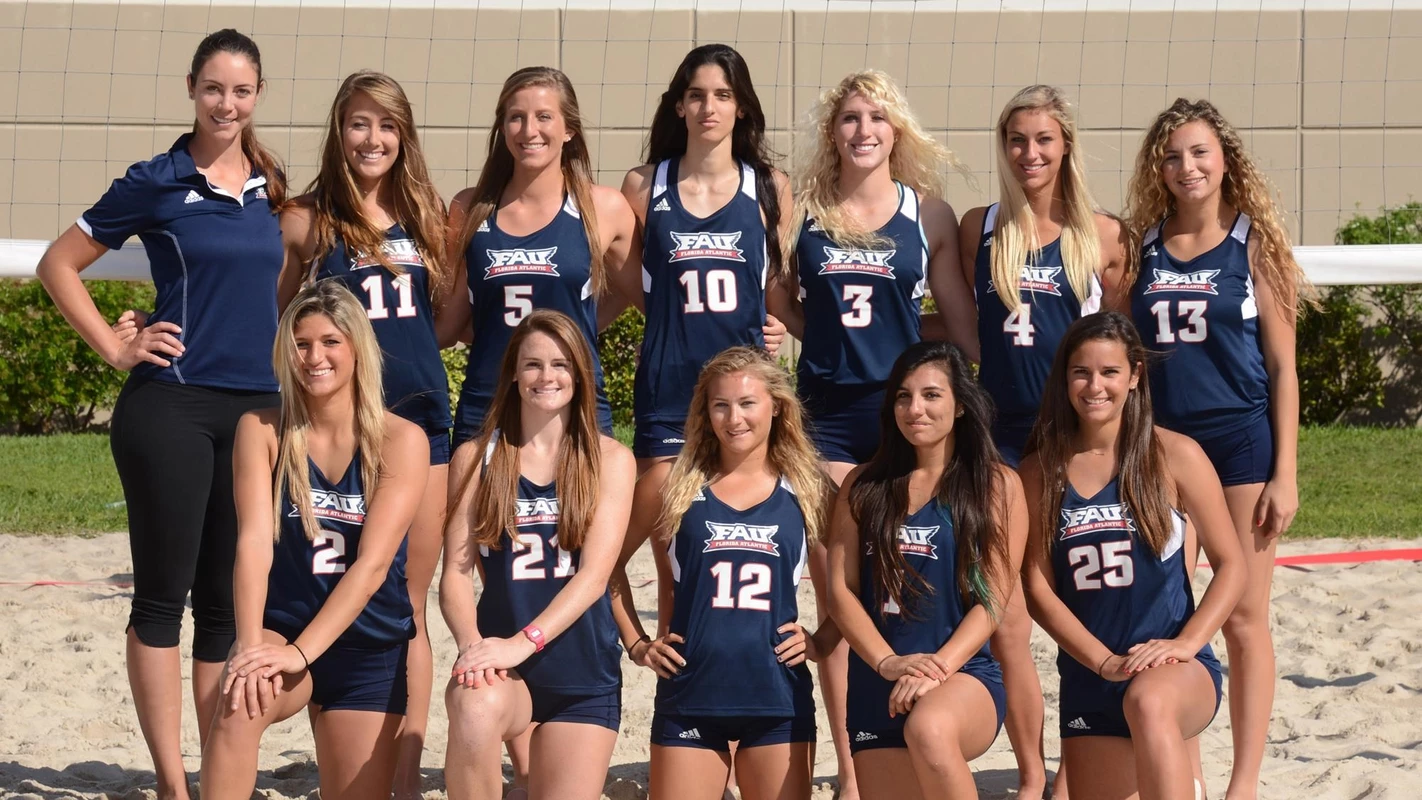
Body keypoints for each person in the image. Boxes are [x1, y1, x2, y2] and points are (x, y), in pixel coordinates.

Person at [34, 29, 286, 800]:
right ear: (191, 88)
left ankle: (217, 776)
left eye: (242, 91)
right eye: (215, 88)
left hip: (258, 411)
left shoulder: (273, 185)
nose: (227, 104)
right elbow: (57, 263)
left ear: (257, 97)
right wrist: (116, 349)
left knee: (224, 603)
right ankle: (174, 785)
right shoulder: (157, 179)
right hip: (171, 406)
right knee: (160, 598)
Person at [766, 69, 979, 797]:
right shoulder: (808, 211)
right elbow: (780, 296)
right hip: (826, 411)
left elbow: (954, 321)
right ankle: (852, 767)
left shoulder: (929, 214)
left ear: (897, 132)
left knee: (909, 574)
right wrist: (815, 332)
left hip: (904, 414)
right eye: (850, 119)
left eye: (876, 119)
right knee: (838, 589)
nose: (863, 131)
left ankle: (924, 695)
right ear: (835, 132)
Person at [1124, 98, 1310, 800]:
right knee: (1173, 616)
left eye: (1199, 152)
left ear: (1224, 158)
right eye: (1172, 156)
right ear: (1158, 169)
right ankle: (1188, 773)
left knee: (1240, 614)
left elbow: (1285, 366)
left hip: (1240, 443)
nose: (1186, 166)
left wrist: (1284, 473)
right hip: (1166, 450)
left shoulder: (1252, 244)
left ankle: (1245, 782)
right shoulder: (1142, 246)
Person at [276, 70, 452, 798]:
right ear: (338, 131)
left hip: (416, 418)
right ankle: (342, 745)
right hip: (336, 425)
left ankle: (402, 771)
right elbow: (279, 317)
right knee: (339, 576)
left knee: (409, 600)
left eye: (386, 124)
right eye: (358, 122)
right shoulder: (306, 219)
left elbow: (448, 316)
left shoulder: (428, 214)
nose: (372, 138)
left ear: (403, 135)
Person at [957, 84, 1130, 799]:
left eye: (1044, 140)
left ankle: (1076, 768)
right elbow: (961, 324)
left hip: (1070, 441)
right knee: (1012, 611)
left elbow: (1115, 345)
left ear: (1065, 148)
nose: (1031, 152)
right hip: (999, 441)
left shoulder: (1104, 234)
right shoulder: (980, 227)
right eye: (1018, 140)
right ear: (1004, 147)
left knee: (1083, 602)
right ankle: (1035, 777)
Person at [200, 280, 429, 800]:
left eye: (330, 341)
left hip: (368, 645)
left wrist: (303, 653)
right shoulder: (262, 428)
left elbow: (372, 567)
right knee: (240, 699)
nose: (314, 357)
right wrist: (251, 645)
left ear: (356, 349)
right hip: (285, 628)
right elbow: (254, 543)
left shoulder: (400, 439)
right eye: (301, 344)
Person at [1017, 311, 1246, 800]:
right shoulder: (1038, 471)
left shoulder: (1175, 454)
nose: (1094, 385)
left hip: (1173, 672)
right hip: (1090, 678)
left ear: (1135, 375)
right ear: (1064, 378)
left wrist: (1187, 644)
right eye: (1081, 372)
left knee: (1149, 702)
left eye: (1109, 372)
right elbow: (1037, 589)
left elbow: (1232, 565)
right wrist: (1102, 662)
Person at [610, 346, 837, 799]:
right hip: (690, 693)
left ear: (777, 407)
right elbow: (606, 566)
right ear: (704, 410)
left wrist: (823, 639)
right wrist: (637, 643)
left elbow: (855, 582)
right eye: (721, 404)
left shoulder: (810, 486)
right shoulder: (669, 482)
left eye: (748, 403)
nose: (734, 418)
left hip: (777, 696)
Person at [441, 310, 636, 800]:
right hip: (505, 668)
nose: (546, 377)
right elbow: (456, 576)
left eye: (560, 364)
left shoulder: (610, 459)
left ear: (580, 374)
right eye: (532, 365)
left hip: (581, 672)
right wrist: (472, 646)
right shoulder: (476, 457)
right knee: (473, 707)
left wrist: (522, 642)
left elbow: (595, 577)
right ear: (512, 372)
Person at [826, 340, 1026, 800]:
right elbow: (840, 591)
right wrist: (889, 662)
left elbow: (992, 599)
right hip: (879, 679)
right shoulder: (864, 483)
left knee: (931, 729)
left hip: (961, 675)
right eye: (903, 395)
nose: (915, 408)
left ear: (959, 406)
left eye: (932, 395)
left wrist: (933, 672)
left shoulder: (995, 484)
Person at [440, 66, 637, 449]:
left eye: (544, 116)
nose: (529, 130)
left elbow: (648, 296)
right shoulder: (469, 207)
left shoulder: (602, 207)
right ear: (502, 128)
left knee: (581, 510)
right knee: (478, 511)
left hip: (574, 405)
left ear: (569, 129)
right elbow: (453, 321)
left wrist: (581, 326)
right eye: (516, 117)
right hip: (489, 403)